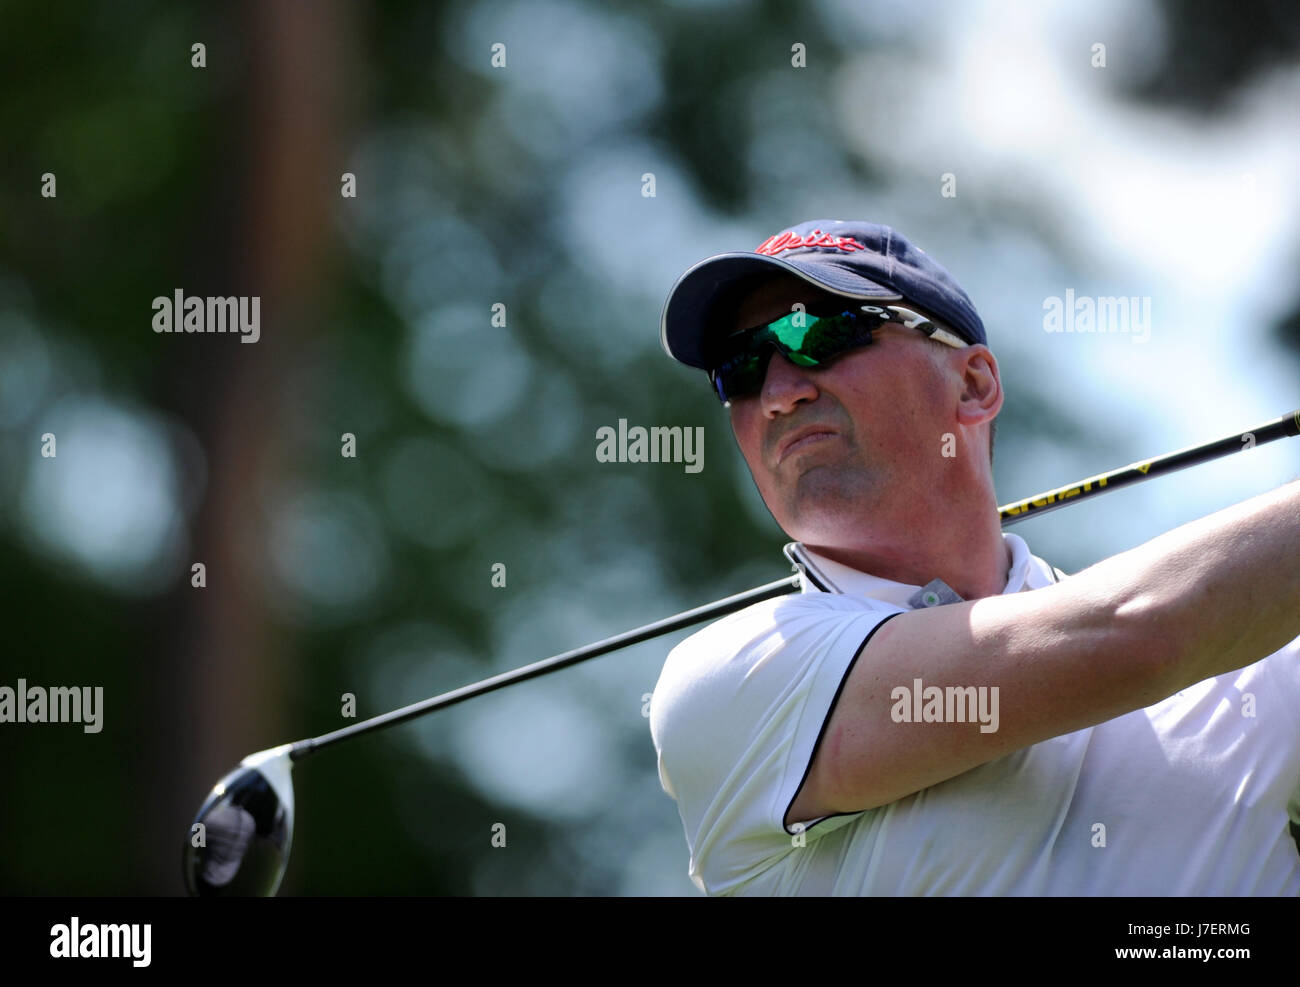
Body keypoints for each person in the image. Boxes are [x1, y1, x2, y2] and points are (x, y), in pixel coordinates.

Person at [648, 218, 1300, 896]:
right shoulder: (732, 678)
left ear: (973, 385)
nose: (780, 393)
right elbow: (1139, 634)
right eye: (741, 369)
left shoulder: (1258, 671)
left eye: (817, 332)